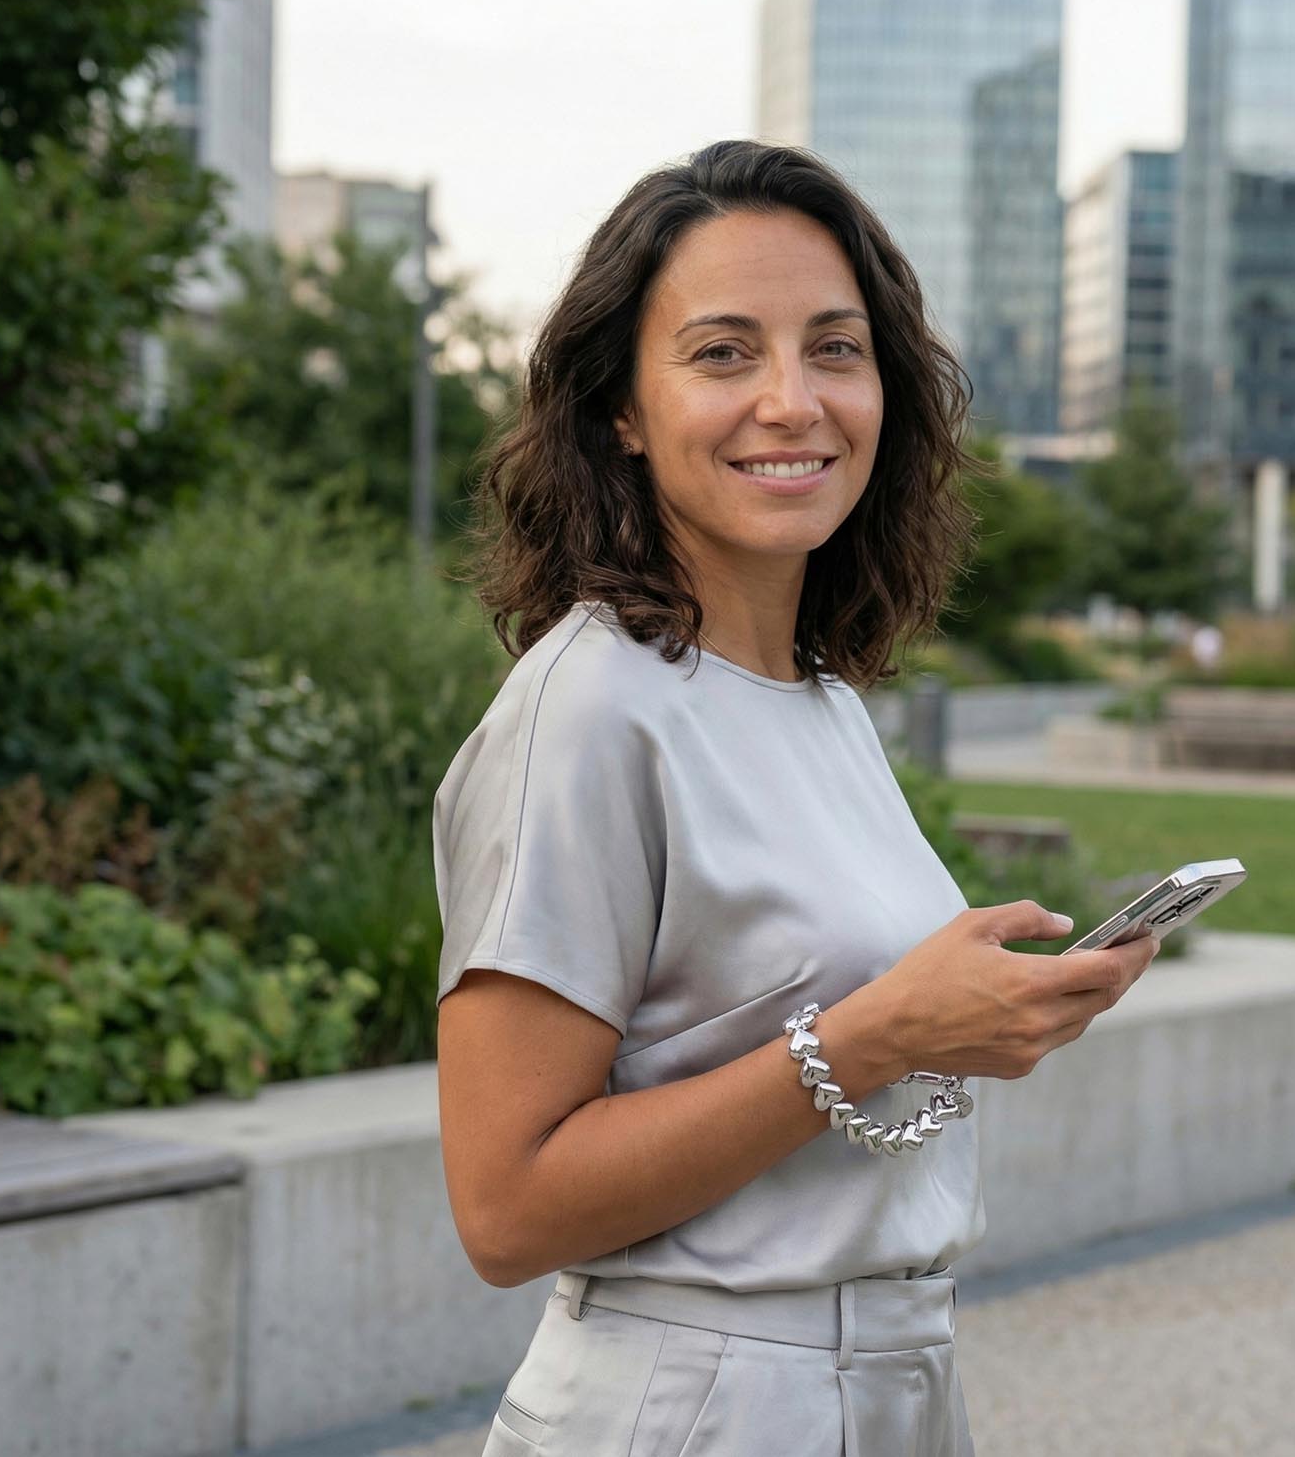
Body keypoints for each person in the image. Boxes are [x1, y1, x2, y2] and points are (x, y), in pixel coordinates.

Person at [433, 139, 1160, 1456]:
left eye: (836, 348)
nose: (792, 400)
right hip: (700, 1403)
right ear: (621, 410)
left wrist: (973, 1012)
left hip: (888, 1379)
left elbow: (842, 1037)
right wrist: (877, 1033)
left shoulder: (820, 700)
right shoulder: (591, 709)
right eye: (722, 354)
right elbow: (505, 1208)